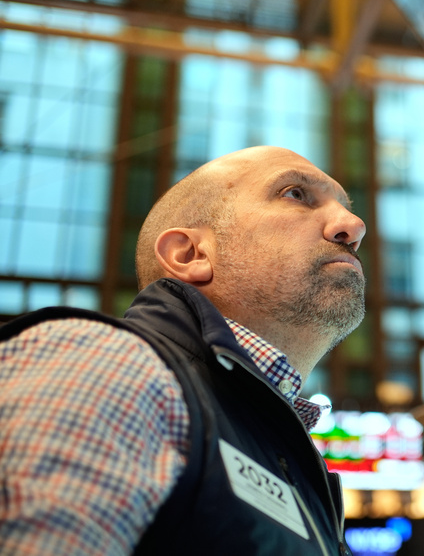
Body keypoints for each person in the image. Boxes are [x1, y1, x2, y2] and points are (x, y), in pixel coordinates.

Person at [0, 146, 366, 555]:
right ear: (189, 254)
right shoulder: (110, 363)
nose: (353, 226)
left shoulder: (297, 458)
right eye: (295, 194)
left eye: (346, 208)